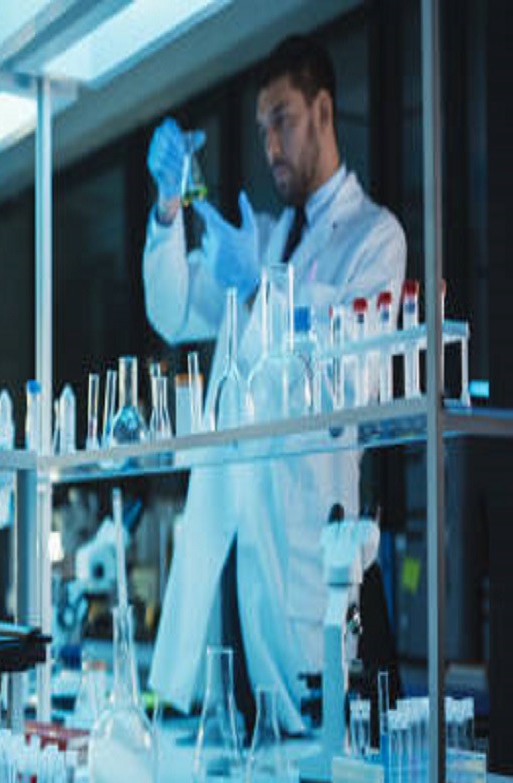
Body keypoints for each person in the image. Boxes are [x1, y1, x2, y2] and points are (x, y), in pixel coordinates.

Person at [144, 35, 407, 733]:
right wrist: (169, 210)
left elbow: (354, 374)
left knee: (299, 768)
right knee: (227, 765)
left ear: (324, 110)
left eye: (282, 119)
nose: (269, 144)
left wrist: (263, 288)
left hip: (300, 561)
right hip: (227, 553)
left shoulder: (375, 239)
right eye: (262, 127)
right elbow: (172, 311)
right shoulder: (259, 235)